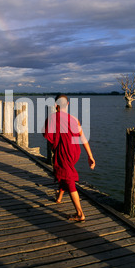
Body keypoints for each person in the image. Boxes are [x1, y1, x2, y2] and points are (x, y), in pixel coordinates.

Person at [43, 94, 95, 222]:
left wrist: (54, 148)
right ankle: (59, 197)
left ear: (56, 105)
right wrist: (90, 155)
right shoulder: (74, 119)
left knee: (68, 178)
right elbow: (83, 138)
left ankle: (80, 213)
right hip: (74, 152)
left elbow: (49, 138)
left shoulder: (52, 118)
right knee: (64, 171)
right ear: (68, 104)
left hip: (63, 151)